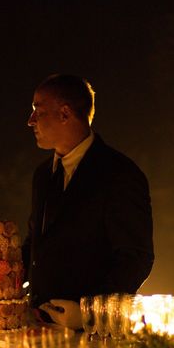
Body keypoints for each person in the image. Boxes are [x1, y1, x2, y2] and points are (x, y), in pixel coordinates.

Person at [23, 74, 154, 329]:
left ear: (65, 113)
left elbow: (135, 257)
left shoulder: (120, 174)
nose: (30, 121)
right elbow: (37, 242)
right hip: (39, 324)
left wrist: (89, 313)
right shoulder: (42, 174)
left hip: (94, 333)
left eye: (38, 111)